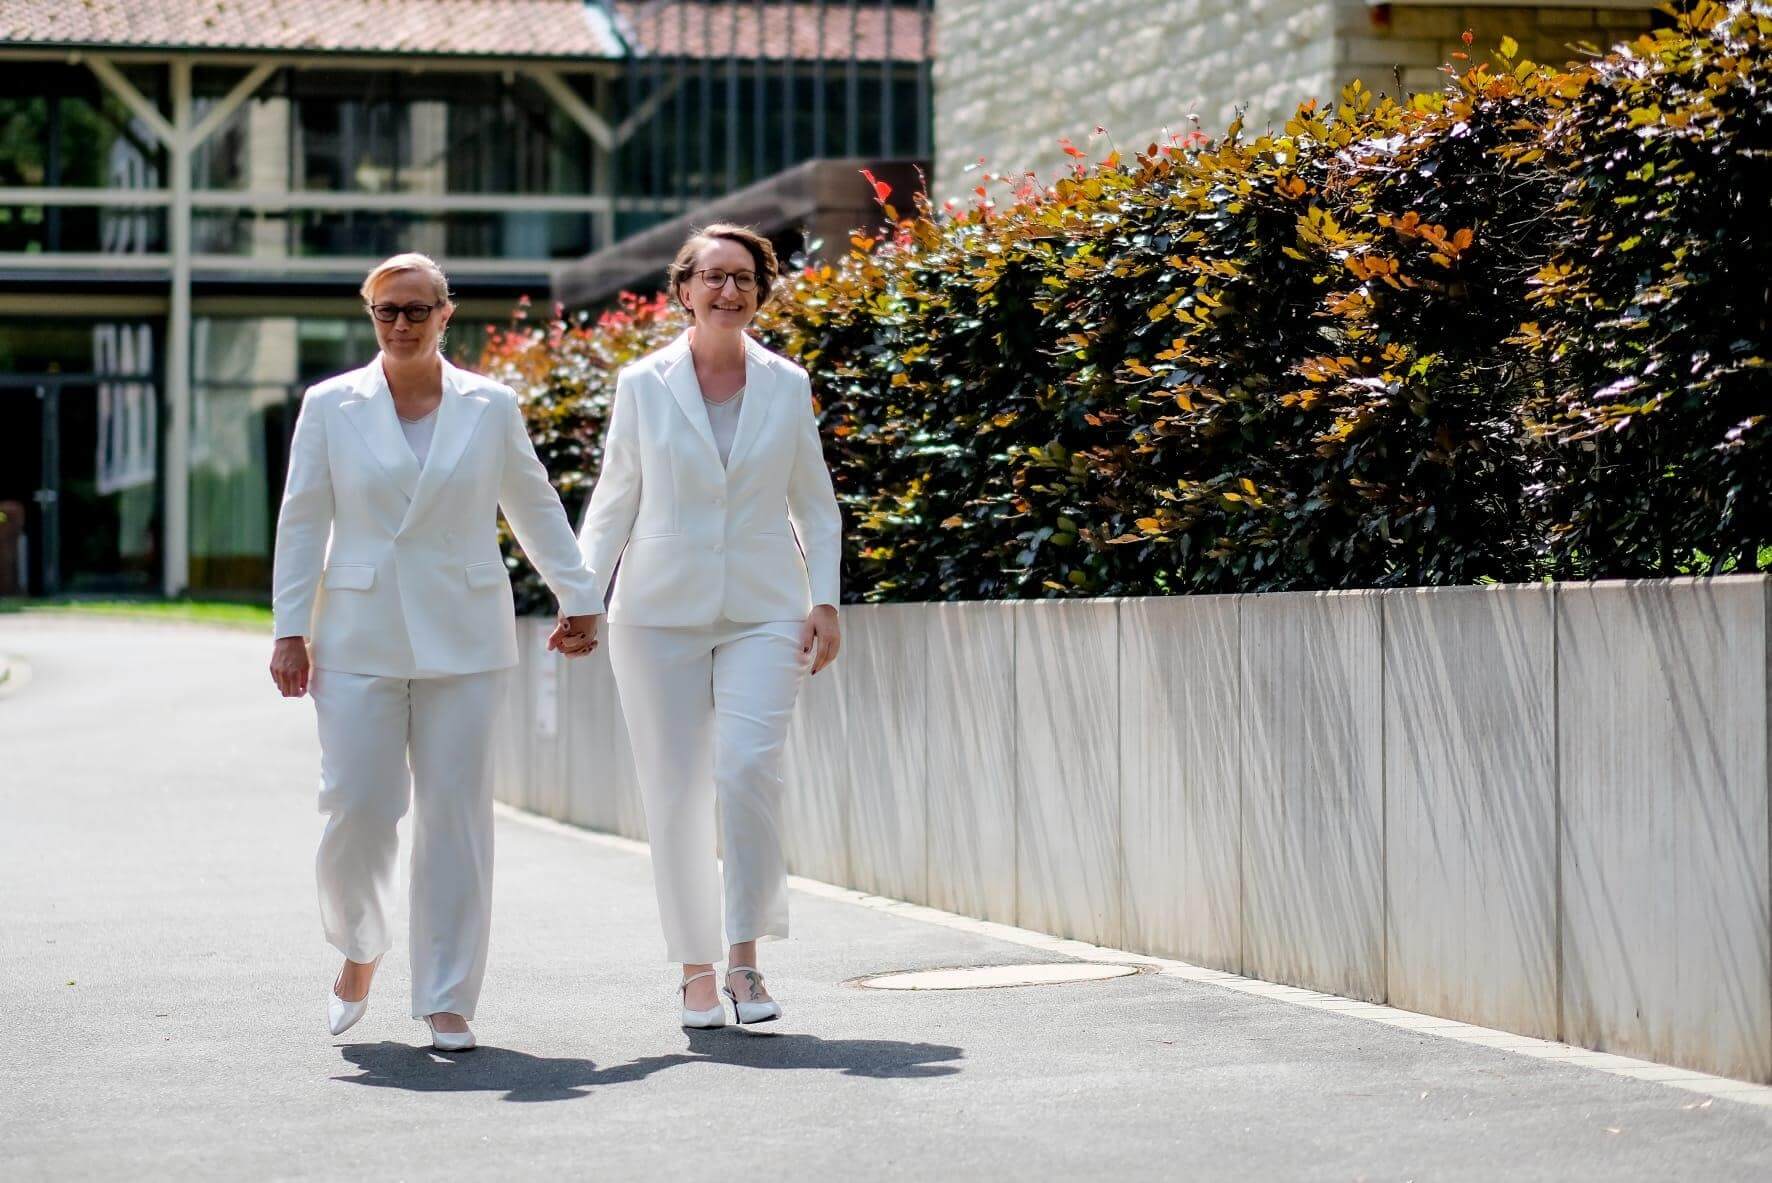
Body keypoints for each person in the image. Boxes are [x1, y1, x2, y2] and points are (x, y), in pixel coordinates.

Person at [269, 252, 600, 1051]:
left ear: (447, 314)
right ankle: (359, 944)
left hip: (465, 639)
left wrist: (580, 594)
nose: (403, 323)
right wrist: (289, 627)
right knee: (356, 807)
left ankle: (448, 994)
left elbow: (533, 502)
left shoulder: (490, 406)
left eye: (418, 309)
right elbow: (303, 517)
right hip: (356, 635)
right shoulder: (328, 405)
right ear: (370, 315)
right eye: (388, 310)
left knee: (455, 818)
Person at [569, 223, 842, 1028]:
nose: (730, 291)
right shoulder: (643, 384)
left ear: (763, 290)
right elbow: (614, 499)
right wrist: (581, 595)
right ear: (683, 289)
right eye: (714, 277)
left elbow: (815, 505)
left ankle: (746, 961)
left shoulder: (787, 384)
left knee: (749, 770)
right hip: (655, 613)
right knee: (676, 792)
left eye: (745, 277)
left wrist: (823, 599)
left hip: (765, 605)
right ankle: (695, 969)